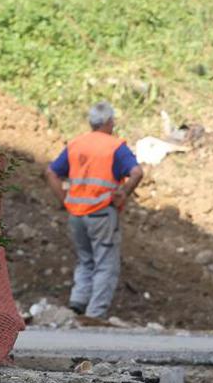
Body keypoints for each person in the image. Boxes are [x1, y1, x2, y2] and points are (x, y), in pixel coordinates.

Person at [45, 101, 143, 324]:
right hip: (101, 212)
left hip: (76, 214)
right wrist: (125, 192)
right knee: (105, 263)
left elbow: (51, 172)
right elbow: (136, 172)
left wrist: (65, 200)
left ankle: (77, 303)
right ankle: (95, 315)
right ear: (109, 122)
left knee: (85, 259)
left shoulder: (76, 144)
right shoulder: (115, 147)